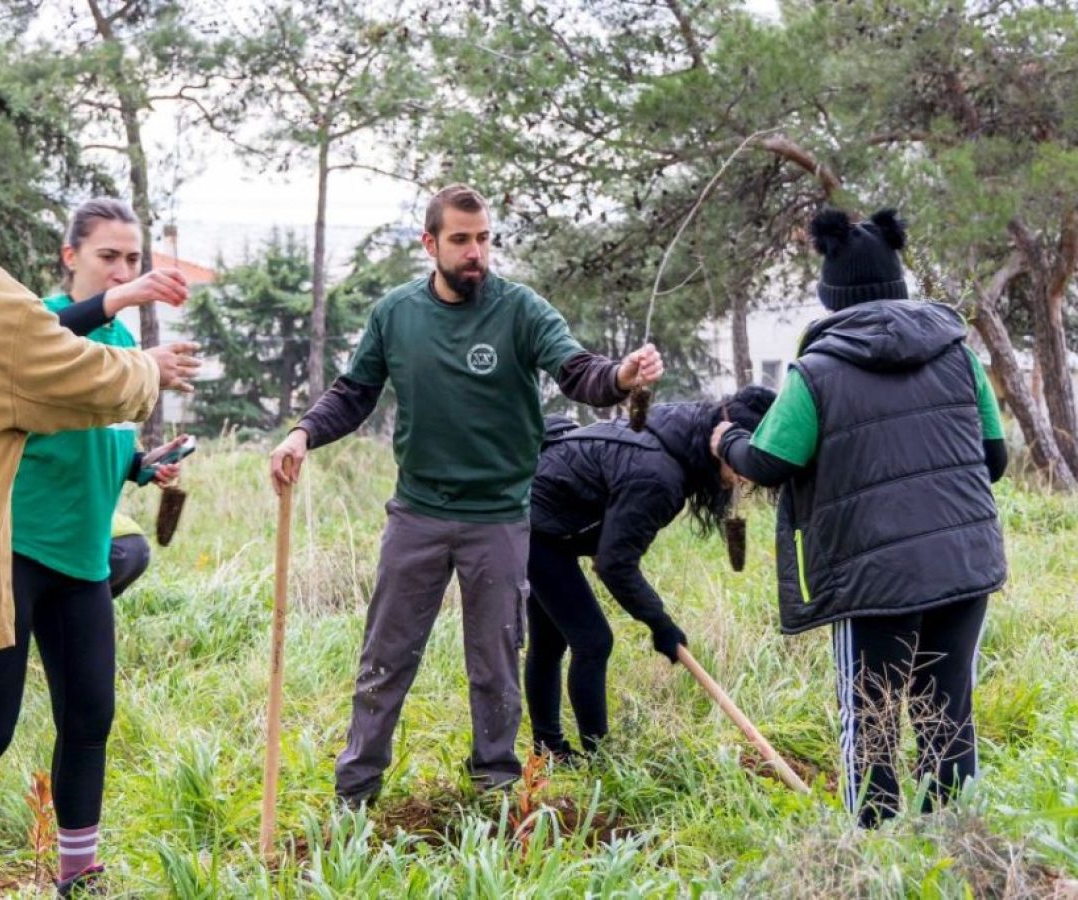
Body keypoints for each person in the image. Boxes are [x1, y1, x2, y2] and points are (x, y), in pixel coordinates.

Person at [0, 110, 193, 899]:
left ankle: (77, 872)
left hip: (81, 556)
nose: (123, 267)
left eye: (132, 257)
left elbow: (78, 426)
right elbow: (63, 361)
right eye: (109, 258)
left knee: (89, 716)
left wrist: (137, 465)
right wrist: (148, 361)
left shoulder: (38, 327)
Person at [269, 184, 664, 807]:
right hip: (417, 515)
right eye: (460, 240)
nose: (475, 252)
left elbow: (576, 370)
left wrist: (620, 376)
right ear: (431, 245)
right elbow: (353, 392)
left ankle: (495, 789)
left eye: (483, 239)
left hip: (500, 521)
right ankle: (355, 793)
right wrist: (300, 435)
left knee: (496, 667)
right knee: (385, 661)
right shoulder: (396, 314)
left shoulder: (522, 311)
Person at [712, 208, 1007, 828]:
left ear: (830, 295)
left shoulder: (816, 371)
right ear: (898, 282)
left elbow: (767, 462)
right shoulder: (961, 355)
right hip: (963, 565)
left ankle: (873, 859)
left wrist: (725, 440)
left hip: (873, 580)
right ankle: (954, 848)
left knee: (869, 721)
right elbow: (995, 459)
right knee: (947, 712)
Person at [526, 387, 775, 760]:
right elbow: (614, 563)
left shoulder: (680, 432)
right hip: (533, 526)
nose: (745, 479)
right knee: (592, 641)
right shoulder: (658, 475)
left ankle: (549, 752)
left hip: (543, 520)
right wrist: (660, 623)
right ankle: (598, 758)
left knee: (553, 640)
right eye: (743, 464)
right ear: (723, 441)